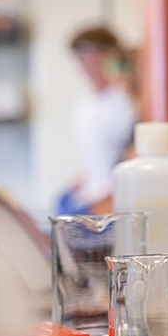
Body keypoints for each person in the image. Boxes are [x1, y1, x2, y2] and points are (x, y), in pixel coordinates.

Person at [57, 26, 136, 214]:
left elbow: (130, 156)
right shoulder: (83, 105)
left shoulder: (125, 102)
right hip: (89, 197)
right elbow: (94, 159)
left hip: (113, 203)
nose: (89, 63)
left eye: (96, 55)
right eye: (82, 57)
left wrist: (105, 200)